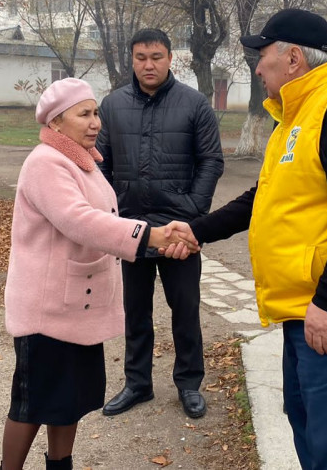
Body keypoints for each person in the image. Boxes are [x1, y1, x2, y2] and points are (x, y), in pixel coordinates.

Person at [165, 8, 327, 469]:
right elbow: (263, 198)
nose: (257, 67)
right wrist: (197, 230)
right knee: (307, 427)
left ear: (293, 58)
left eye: (262, 55)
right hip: (303, 307)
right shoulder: (292, 119)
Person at [1, 78, 194, 470]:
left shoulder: (83, 161)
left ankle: (60, 464)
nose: (95, 123)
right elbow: (80, 221)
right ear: (56, 122)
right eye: (84, 114)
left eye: (96, 113)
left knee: (68, 399)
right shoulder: (45, 162)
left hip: (75, 308)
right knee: (32, 403)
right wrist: (150, 236)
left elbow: (102, 217)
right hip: (47, 311)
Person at [98, 29, 224, 419]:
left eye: (156, 56)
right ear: (132, 59)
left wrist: (192, 214)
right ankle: (137, 383)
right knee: (134, 312)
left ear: (171, 58)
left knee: (184, 309)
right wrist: (111, 214)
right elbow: (98, 163)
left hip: (178, 232)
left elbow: (210, 161)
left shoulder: (194, 104)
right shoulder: (113, 105)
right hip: (131, 231)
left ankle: (189, 384)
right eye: (140, 57)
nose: (148, 65)